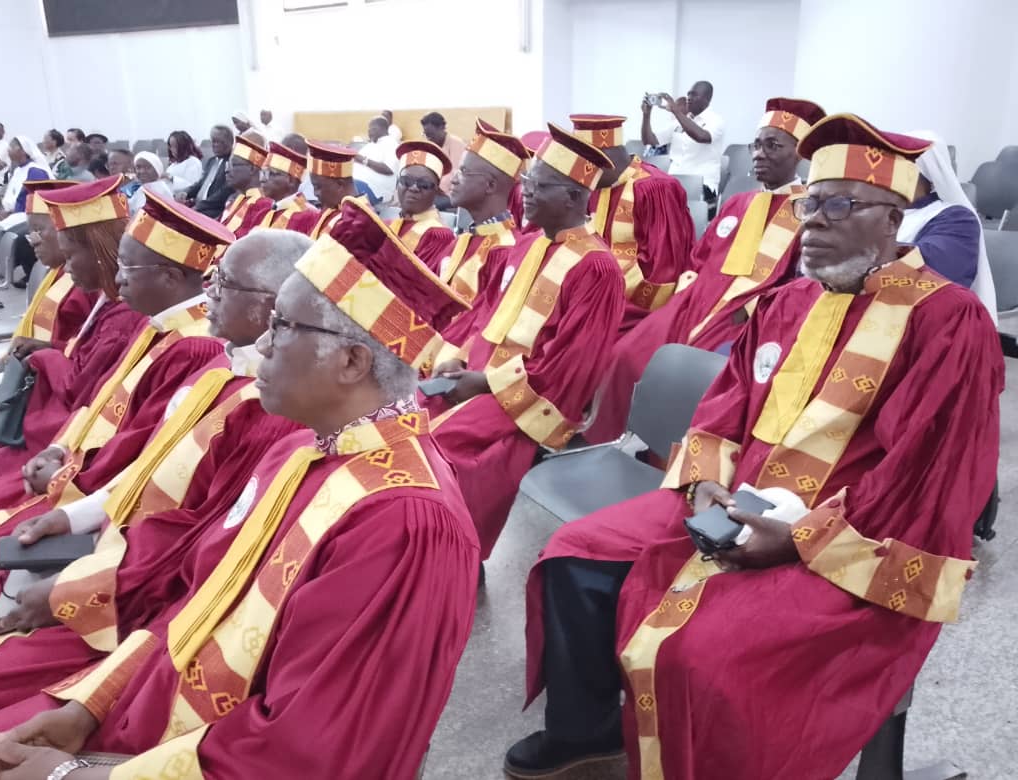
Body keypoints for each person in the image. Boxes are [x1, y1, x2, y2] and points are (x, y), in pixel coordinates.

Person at [505, 113, 1003, 780]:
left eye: (840, 205)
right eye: (810, 203)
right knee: (573, 557)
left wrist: (798, 540)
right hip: (734, 502)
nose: (814, 221)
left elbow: (927, 477)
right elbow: (726, 407)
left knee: (701, 652)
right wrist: (706, 484)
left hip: (855, 539)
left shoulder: (945, 321)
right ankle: (587, 730)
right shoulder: (787, 303)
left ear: (892, 219)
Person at [0, 198, 479, 780]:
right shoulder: (298, 452)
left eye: (282, 327)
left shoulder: (405, 523)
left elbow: (309, 751)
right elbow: (196, 600)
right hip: (148, 701)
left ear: (350, 361)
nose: (261, 347)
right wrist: (89, 705)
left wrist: (78, 774)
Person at [0, 230, 307, 717]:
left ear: (269, 308)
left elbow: (195, 549)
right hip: (102, 554)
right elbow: (144, 462)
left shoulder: (270, 415)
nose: (209, 295)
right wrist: (71, 519)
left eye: (224, 285)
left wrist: (77, 591)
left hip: (133, 608)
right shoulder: (218, 373)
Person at [0, 187, 231, 573]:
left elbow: (138, 441)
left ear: (169, 276)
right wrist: (60, 448)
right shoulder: (159, 326)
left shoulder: (195, 348)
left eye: (128, 269)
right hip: (74, 465)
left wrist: (64, 472)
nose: (117, 278)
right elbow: (100, 402)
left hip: (100, 495)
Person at [426, 123, 625, 562]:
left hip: (526, 398)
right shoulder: (526, 245)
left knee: (436, 452)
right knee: (401, 421)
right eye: (528, 183)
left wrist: (481, 384)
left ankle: (452, 558)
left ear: (574, 198)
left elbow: (570, 368)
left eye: (539, 186)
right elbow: (484, 316)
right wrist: (456, 359)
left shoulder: (597, 268)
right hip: (477, 376)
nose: (526, 194)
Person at [588, 98, 826, 445]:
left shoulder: (806, 212)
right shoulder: (738, 203)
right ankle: (609, 440)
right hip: (694, 301)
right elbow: (700, 258)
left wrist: (752, 310)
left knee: (696, 380)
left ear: (799, 154)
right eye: (756, 145)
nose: (759, 154)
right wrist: (686, 293)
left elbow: (799, 285)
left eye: (773, 145)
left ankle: (668, 455)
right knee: (626, 355)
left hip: (743, 316)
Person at [0, 177, 146, 478]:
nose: (66, 268)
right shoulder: (98, 293)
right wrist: (47, 350)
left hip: (64, 430)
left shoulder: (122, 315)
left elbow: (80, 384)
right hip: (47, 411)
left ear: (99, 251)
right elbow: (81, 352)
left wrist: (41, 357)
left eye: (40, 230)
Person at [570, 113, 695, 333]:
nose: (581, 174)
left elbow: (664, 272)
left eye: (585, 165)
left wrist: (605, 304)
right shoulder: (599, 186)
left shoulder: (655, 189)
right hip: (601, 294)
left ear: (604, 158)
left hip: (639, 309)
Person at [0, 180, 96, 381]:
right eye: (30, 230)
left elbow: (84, 357)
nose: (32, 239)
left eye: (39, 230)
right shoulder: (56, 273)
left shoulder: (89, 284)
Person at [900, 130, 997, 317]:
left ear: (929, 177)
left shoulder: (957, 219)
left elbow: (933, 271)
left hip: (930, 328)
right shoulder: (881, 213)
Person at [438, 118, 529, 304]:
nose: (453, 180)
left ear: (490, 185)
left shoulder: (507, 251)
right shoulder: (465, 240)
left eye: (463, 172)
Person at [641, 81, 725, 204]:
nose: (689, 98)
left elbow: (701, 136)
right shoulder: (680, 121)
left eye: (694, 95)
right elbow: (649, 140)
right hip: (673, 183)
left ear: (707, 98)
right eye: (688, 94)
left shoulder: (716, 120)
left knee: (665, 200)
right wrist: (646, 115)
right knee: (645, 195)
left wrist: (676, 111)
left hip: (702, 185)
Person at [387, 140, 456, 271]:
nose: (413, 188)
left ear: (436, 191)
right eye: (406, 181)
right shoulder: (390, 225)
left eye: (424, 184)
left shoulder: (438, 236)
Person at [288, 142, 359, 240]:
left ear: (339, 184)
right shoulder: (332, 210)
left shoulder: (358, 221)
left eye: (318, 187)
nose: (315, 194)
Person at [218, 136, 271, 238]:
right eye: (228, 165)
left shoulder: (263, 205)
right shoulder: (239, 199)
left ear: (253, 168)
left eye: (234, 165)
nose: (227, 170)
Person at [179, 126, 234, 218]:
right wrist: (186, 193)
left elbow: (224, 192)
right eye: (213, 141)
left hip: (213, 211)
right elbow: (201, 183)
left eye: (218, 142)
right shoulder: (211, 161)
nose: (214, 145)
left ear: (228, 143)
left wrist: (199, 206)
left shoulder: (232, 163)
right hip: (198, 206)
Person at [255, 142, 311, 230]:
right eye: (263, 173)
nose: (262, 179)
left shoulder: (305, 216)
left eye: (271, 174)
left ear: (291, 181)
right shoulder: (265, 211)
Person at [421, 111, 467, 208]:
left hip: (454, 194)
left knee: (426, 205)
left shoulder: (457, 143)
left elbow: (456, 173)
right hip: (437, 191)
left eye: (431, 134)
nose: (428, 139)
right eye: (426, 135)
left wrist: (435, 187)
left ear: (441, 128)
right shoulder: (432, 145)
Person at [0, 137, 51, 218]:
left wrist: (10, 214)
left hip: (25, 219)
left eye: (11, 147)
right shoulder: (18, 170)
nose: (8, 150)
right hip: (11, 215)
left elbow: (29, 204)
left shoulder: (36, 172)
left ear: (23, 150)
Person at [353, 115, 399, 205]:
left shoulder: (391, 144)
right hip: (357, 183)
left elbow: (389, 169)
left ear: (382, 128)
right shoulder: (370, 145)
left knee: (340, 188)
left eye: (372, 129)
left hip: (375, 190)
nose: (369, 132)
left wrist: (363, 160)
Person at [162, 131, 204, 195]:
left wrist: (170, 177)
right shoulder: (172, 165)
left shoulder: (193, 162)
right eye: (170, 146)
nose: (171, 149)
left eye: (174, 146)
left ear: (183, 146)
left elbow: (192, 186)